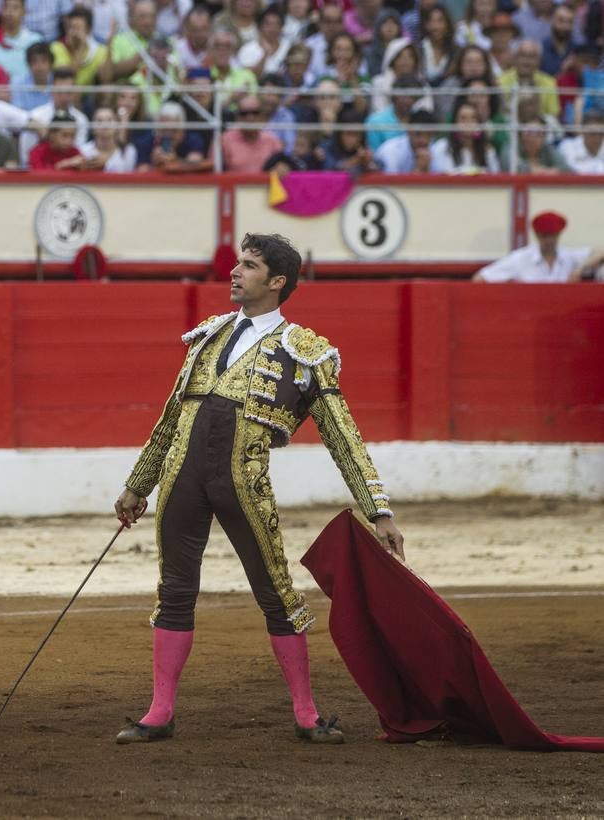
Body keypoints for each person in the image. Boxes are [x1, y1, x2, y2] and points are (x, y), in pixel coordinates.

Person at [113, 232, 403, 747]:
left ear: (276, 282)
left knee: (275, 592)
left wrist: (377, 508)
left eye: (247, 265)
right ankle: (159, 712)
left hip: (242, 479)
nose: (234, 272)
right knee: (174, 589)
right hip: (181, 475)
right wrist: (140, 483)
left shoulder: (306, 351)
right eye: (237, 263)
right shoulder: (208, 335)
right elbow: (172, 417)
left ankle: (307, 713)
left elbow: (342, 434)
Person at [473, 211, 592, 282]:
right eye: (544, 236)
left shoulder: (569, 256)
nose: (549, 240)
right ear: (537, 234)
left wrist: (580, 268)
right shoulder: (520, 258)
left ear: (559, 234)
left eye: (553, 235)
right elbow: (480, 278)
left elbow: (601, 252)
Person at [221, 97, 283, 172]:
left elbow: (282, 166)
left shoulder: (272, 140)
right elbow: (213, 168)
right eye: (244, 113)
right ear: (237, 117)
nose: (250, 117)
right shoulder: (224, 139)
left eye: (255, 113)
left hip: (265, 183)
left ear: (262, 116)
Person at [375, 107, 436, 173]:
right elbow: (391, 182)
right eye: (418, 134)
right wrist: (418, 169)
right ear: (408, 131)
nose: (423, 140)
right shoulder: (391, 152)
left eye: (429, 135)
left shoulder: (434, 149)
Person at [556, 108, 604, 174]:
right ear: (582, 131)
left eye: (601, 134)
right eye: (592, 133)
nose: (597, 138)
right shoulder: (567, 147)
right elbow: (567, 173)